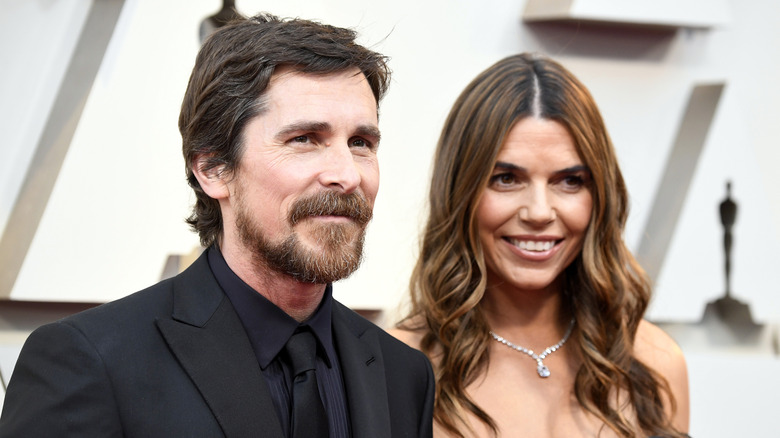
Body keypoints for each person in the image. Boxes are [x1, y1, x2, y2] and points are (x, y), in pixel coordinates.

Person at [0, 13, 434, 437]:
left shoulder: (403, 374)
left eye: (361, 143)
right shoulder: (90, 361)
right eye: (304, 139)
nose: (348, 174)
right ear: (213, 169)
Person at [390, 53, 689, 437]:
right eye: (506, 179)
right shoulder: (397, 367)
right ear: (460, 191)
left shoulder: (655, 362)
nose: (539, 212)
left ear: (600, 195)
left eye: (569, 182)